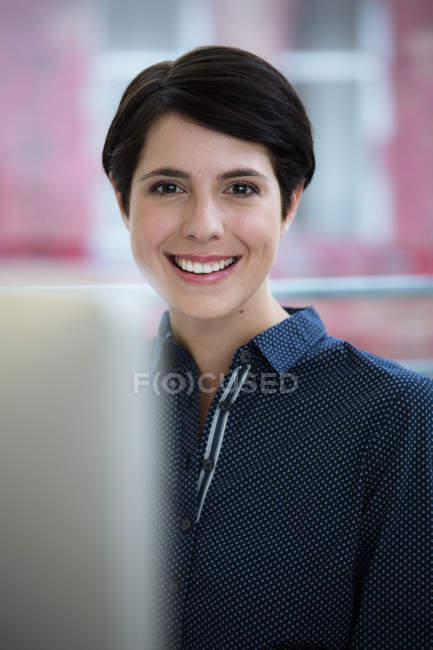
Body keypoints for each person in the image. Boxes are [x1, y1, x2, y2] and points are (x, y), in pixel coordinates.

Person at [102, 45, 433, 649]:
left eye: (241, 188)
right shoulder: (81, 408)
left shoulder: (402, 416)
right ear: (125, 203)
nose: (203, 225)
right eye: (168, 186)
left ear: (290, 203)